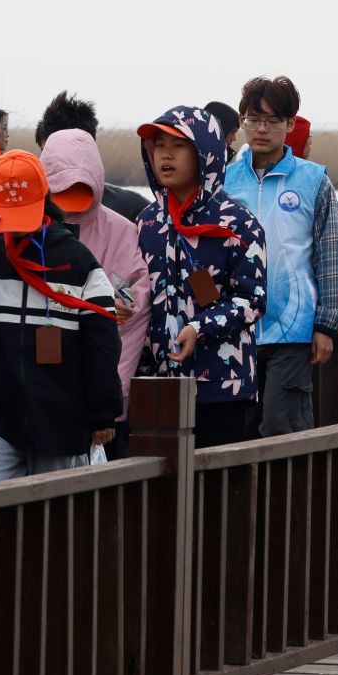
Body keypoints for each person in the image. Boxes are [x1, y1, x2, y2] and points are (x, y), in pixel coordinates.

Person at [0, 151, 122, 482]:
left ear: (43, 202)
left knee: (56, 510)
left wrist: (102, 412)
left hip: (62, 420)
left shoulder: (78, 261)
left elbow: (102, 341)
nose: (16, 227)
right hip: (0, 418)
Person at [135, 106, 266, 448]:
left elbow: (252, 300)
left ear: (205, 154)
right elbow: (135, 287)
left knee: (217, 479)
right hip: (159, 381)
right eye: (158, 145)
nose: (165, 155)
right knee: (162, 477)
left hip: (222, 385)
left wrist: (199, 327)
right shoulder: (147, 222)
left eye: (178, 146)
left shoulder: (238, 223)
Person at [224, 76, 338, 437]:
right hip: (235, 327)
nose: (262, 129)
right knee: (237, 431)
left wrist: (326, 325)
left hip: (293, 329)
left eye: (273, 120)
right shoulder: (224, 181)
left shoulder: (314, 180)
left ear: (290, 124)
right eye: (253, 119)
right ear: (242, 121)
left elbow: (330, 255)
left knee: (282, 427)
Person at [40, 128, 151, 450]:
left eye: (80, 185)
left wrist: (118, 302)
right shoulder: (31, 230)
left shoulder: (121, 230)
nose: (70, 196)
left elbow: (136, 295)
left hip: (105, 381)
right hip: (44, 384)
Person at [33, 90, 145, 222]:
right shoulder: (29, 210)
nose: (44, 160)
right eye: (44, 151)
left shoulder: (135, 211)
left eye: (49, 151)